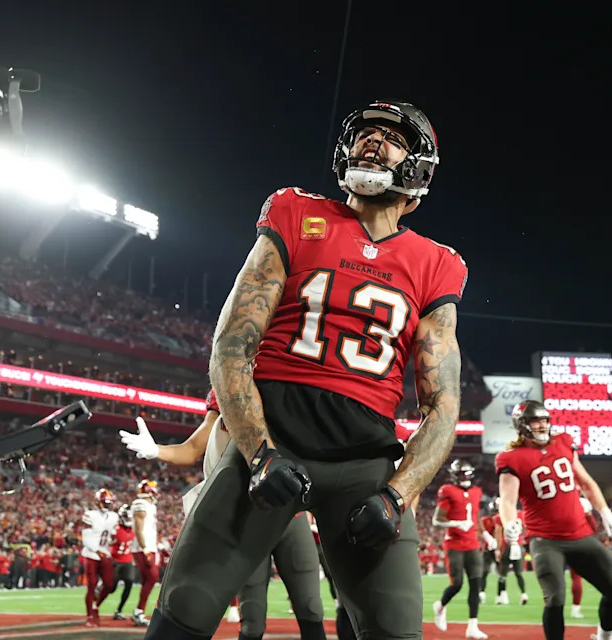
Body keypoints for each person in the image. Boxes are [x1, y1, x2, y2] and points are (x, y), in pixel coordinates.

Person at [144, 99, 467, 640]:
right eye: (366, 131)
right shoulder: (295, 212)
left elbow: (443, 404)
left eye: (391, 136)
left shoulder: (437, 264)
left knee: (395, 630)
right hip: (274, 445)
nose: (373, 139)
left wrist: (398, 491)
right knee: (183, 616)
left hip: (366, 464)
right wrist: (258, 450)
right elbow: (231, 344)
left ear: (419, 169)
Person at [121, 394, 326, 640]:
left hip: (291, 512)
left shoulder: (297, 386)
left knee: (311, 608)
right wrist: (156, 450)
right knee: (252, 619)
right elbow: (192, 449)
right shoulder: (230, 384)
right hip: (247, 513)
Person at [496, 400, 612, 640]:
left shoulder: (563, 442)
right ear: (522, 425)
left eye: (545, 420)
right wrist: (509, 524)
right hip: (545, 540)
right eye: (536, 421)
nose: (543, 425)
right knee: (555, 599)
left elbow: (585, 482)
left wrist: (604, 511)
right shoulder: (510, 458)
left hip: (581, 534)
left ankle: (605, 637)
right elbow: (507, 500)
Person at [431, 459, 493, 638]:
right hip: (454, 543)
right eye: (461, 474)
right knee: (457, 584)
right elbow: (437, 520)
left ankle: (472, 626)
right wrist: (456, 524)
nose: (464, 477)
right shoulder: (447, 491)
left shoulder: (476, 491)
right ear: (454, 476)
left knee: (476, 583)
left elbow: (475, 516)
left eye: (466, 474)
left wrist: (486, 535)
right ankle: (440, 606)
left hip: (472, 543)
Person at [80, 488, 118, 627]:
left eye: (109, 503)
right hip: (91, 553)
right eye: (105, 503)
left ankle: (95, 606)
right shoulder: (90, 515)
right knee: (92, 585)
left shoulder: (114, 516)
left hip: (105, 552)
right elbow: (85, 537)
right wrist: (97, 550)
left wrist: (114, 540)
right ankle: (90, 615)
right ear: (98, 502)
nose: (107, 505)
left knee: (108, 584)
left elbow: (113, 534)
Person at [130, 479, 160, 626]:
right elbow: (138, 527)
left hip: (148, 546)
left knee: (147, 579)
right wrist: (145, 547)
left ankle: (139, 611)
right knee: (153, 577)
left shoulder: (150, 506)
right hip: (143, 547)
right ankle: (139, 611)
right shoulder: (140, 504)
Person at [110, 505, 137, 621]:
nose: (128, 520)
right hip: (115, 561)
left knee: (129, 583)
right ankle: (100, 588)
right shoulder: (114, 530)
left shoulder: (134, 530)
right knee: (111, 588)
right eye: (126, 517)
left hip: (127, 561)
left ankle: (119, 610)